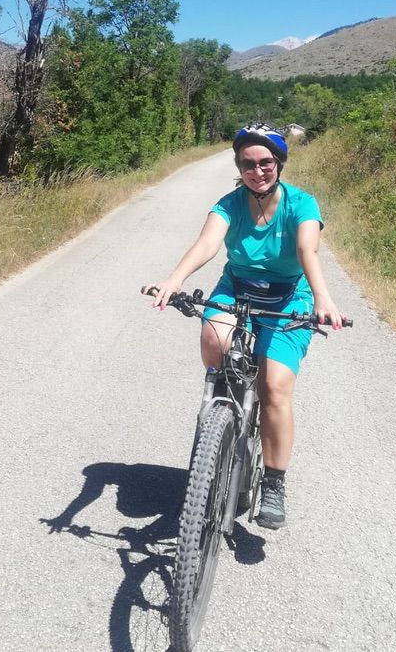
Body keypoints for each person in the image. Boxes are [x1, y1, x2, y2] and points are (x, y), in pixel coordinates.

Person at [145, 123, 344, 529]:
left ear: (279, 163)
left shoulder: (302, 204)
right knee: (213, 335)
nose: (258, 171)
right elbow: (207, 244)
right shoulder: (230, 203)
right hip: (237, 288)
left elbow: (308, 248)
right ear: (239, 167)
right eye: (248, 164)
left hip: (290, 297)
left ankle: (273, 481)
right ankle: (222, 411)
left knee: (274, 388)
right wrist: (174, 280)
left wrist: (323, 297)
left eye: (266, 162)